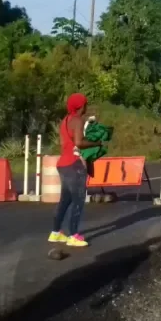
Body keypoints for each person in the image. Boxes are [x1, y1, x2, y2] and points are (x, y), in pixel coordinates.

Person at [48, 93, 101, 248]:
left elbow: (66, 143)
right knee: (78, 200)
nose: (86, 107)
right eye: (85, 104)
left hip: (63, 163)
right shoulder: (78, 120)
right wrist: (96, 142)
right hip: (73, 164)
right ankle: (73, 235)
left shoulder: (64, 121)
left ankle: (56, 232)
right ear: (80, 106)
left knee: (65, 200)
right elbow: (79, 142)